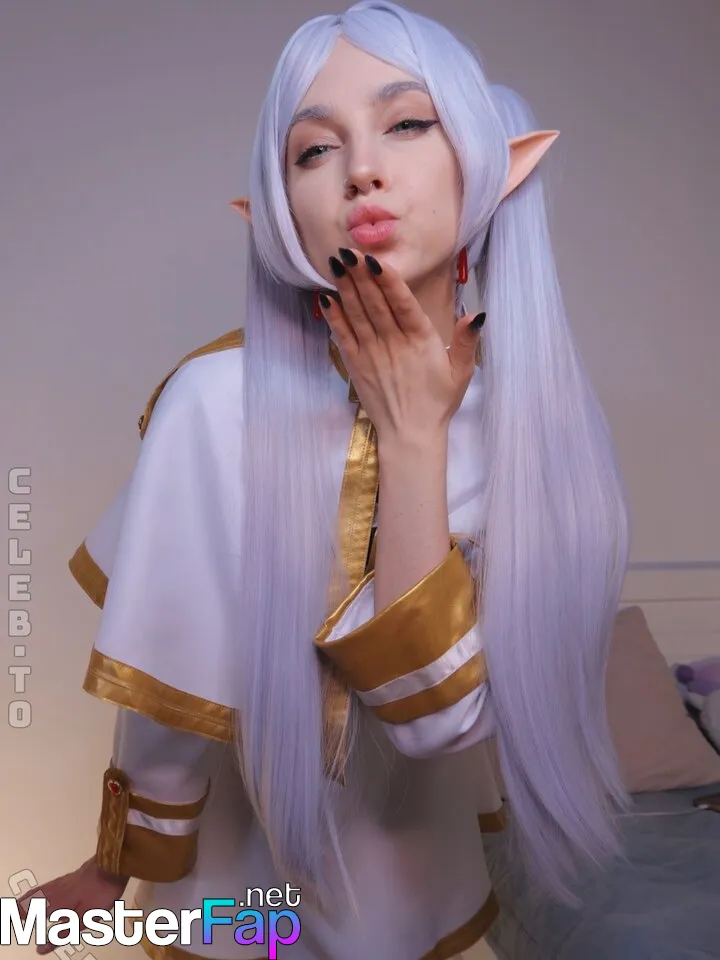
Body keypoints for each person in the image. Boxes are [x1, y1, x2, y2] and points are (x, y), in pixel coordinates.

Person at [20, 2, 631, 958]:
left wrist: (414, 435)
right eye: (314, 149)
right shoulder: (213, 403)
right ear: (278, 212)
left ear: (489, 165)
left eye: (407, 122)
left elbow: (438, 724)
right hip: (241, 904)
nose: (361, 171)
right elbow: (169, 689)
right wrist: (114, 866)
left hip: (422, 895)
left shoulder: (533, 422)